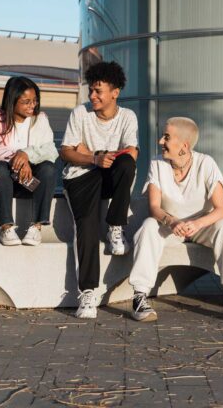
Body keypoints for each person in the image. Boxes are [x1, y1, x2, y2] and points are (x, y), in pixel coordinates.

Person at [129, 118, 223, 323]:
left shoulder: (206, 163)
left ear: (184, 146)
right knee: (149, 226)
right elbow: (154, 208)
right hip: (170, 227)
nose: (160, 141)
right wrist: (172, 222)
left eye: (166, 137)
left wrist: (197, 224)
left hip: (202, 227)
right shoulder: (157, 164)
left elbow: (222, 210)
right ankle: (139, 296)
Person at [60, 61, 138, 319]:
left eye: (98, 91)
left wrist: (93, 152)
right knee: (87, 226)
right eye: (91, 91)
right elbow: (67, 152)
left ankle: (116, 226)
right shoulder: (80, 114)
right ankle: (88, 293)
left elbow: (132, 153)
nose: (92, 96)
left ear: (115, 92)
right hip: (81, 178)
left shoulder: (127, 117)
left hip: (108, 176)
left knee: (126, 163)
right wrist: (93, 158)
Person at [0, 76, 58, 246]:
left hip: (31, 183)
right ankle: (6, 228)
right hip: (5, 183)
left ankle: (36, 227)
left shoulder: (40, 119)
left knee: (48, 168)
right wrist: (18, 159)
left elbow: (51, 150)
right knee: (0, 166)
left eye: (34, 100)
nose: (32, 105)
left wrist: (26, 154)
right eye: (26, 101)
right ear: (12, 100)